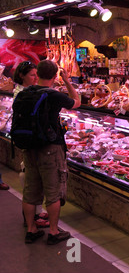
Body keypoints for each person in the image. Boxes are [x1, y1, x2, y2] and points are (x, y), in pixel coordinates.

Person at [18, 60, 81, 244]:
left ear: (36, 74)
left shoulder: (26, 92)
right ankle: (53, 232)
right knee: (53, 191)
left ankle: (31, 230)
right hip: (50, 149)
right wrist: (67, 81)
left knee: (30, 191)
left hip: (29, 147)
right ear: (55, 76)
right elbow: (76, 102)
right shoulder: (53, 95)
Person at [12, 61, 49, 227]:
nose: (36, 78)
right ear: (22, 75)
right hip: (29, 139)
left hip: (29, 138)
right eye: (33, 75)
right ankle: (32, 219)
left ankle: (36, 211)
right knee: (29, 178)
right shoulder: (22, 93)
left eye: (37, 75)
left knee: (31, 177)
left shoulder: (28, 91)